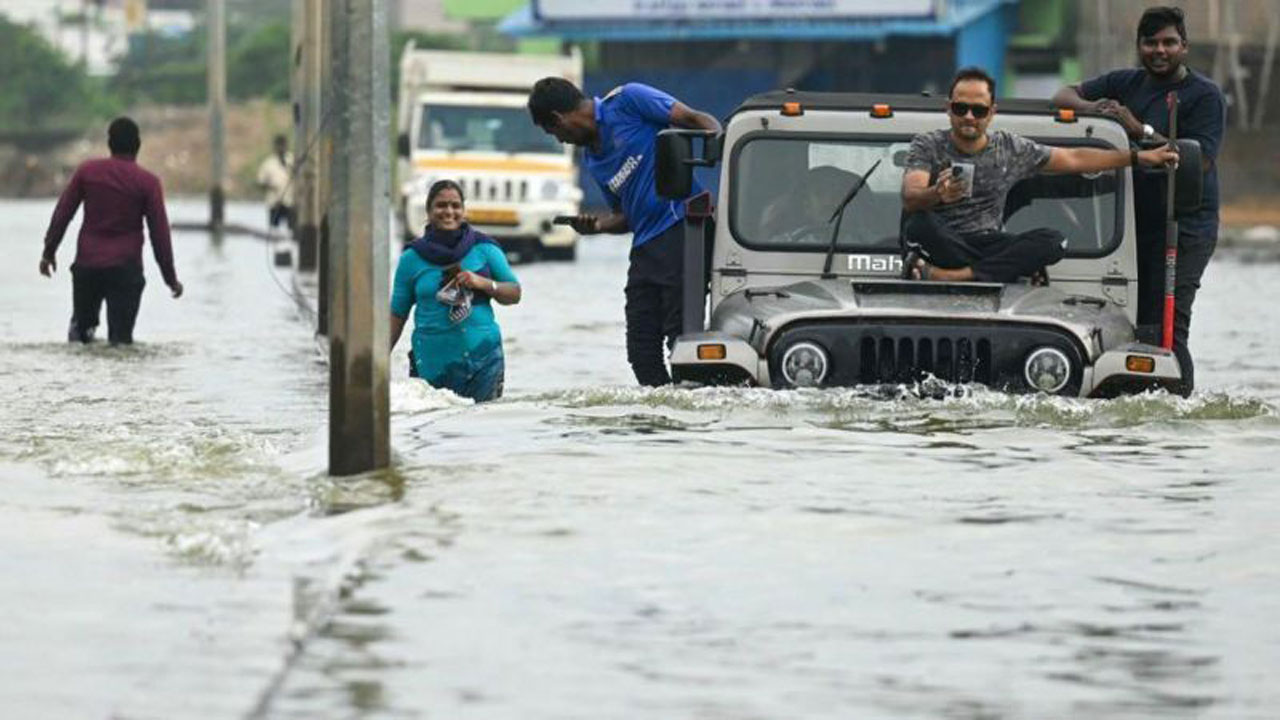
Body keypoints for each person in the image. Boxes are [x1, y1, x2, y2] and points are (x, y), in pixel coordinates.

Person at [1052, 6, 1225, 395]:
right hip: (1130, 225)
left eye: (1168, 42)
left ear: (1184, 47)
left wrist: (1139, 129)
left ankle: (1179, 402)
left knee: (1169, 323)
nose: (1159, 50)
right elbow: (1063, 94)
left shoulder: (1205, 96)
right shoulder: (1124, 82)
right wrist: (1090, 108)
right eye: (1151, 42)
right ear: (1139, 46)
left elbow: (1200, 159)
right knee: (1134, 320)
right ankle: (1135, 397)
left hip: (1185, 225)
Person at [901, 66, 1179, 285]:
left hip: (988, 242)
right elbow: (911, 198)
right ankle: (999, 271)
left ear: (992, 113)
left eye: (979, 110)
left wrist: (1138, 156)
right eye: (961, 108)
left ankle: (953, 276)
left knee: (1054, 241)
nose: (969, 117)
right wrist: (937, 193)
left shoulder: (1010, 148)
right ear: (948, 109)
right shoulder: (928, 144)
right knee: (918, 223)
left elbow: (1074, 158)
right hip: (940, 240)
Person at [527, 78, 721, 386]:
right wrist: (597, 226)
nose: (561, 140)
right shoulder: (593, 160)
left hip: (682, 229)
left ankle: (696, 415)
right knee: (641, 350)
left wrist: (721, 145)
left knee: (680, 336)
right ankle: (662, 417)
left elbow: (695, 119)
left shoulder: (629, 101)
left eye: (555, 133)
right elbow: (625, 216)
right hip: (645, 247)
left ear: (558, 119)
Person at [39, 117, 183, 345]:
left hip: (87, 266)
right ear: (138, 144)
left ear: (110, 143)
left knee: (80, 337)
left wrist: (48, 252)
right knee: (121, 342)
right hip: (125, 270)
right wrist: (171, 278)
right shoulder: (148, 183)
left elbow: (63, 213)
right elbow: (160, 235)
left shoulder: (87, 172)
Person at [389, 179, 521, 402]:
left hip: (483, 360)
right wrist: (375, 364)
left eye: (455, 205)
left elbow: (514, 293)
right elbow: (397, 314)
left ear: (463, 210)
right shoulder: (411, 258)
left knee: (480, 429)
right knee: (433, 430)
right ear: (429, 211)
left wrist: (482, 283)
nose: (449, 211)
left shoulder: (485, 248)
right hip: (431, 365)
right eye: (441, 205)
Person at [256, 134, 294, 233]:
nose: (281, 148)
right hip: (274, 202)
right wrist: (270, 186)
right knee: (273, 230)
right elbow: (260, 182)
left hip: (289, 202)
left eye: (283, 145)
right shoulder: (268, 163)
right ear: (275, 147)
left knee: (291, 229)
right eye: (279, 145)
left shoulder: (292, 160)